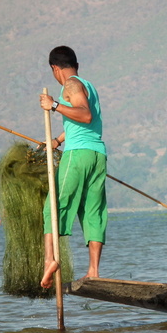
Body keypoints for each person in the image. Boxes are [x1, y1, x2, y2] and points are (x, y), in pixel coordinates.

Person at [39, 46, 107, 289]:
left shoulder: (70, 85)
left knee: (53, 207)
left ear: (55, 68)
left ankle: (50, 260)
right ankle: (93, 272)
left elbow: (84, 115)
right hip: (97, 154)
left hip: (77, 156)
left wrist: (54, 105)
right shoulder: (88, 85)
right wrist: (57, 140)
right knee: (93, 212)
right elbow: (81, 123)